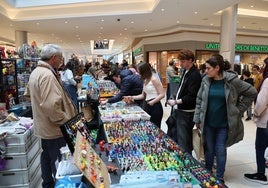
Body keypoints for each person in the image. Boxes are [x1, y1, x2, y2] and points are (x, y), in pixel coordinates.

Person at [193, 54, 257, 183]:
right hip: (208, 123)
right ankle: (208, 172)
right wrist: (197, 119)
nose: (206, 71)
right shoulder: (206, 80)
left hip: (224, 124)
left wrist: (238, 110)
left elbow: (252, 92)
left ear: (217, 68)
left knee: (220, 149)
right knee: (209, 150)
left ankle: (220, 176)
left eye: (208, 68)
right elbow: (199, 99)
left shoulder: (232, 81)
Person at [26, 44, 77, 188]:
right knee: (58, 162)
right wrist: (67, 122)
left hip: (45, 126)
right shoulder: (47, 76)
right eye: (60, 58)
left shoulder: (36, 72)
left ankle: (48, 184)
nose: (62, 61)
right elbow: (51, 106)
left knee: (47, 156)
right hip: (55, 129)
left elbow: (29, 95)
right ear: (53, 58)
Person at [167, 49, 202, 154]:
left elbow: (192, 96)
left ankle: (186, 164)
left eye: (183, 61)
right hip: (180, 110)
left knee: (184, 141)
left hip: (187, 112)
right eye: (180, 61)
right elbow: (182, 89)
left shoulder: (194, 74)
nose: (180, 64)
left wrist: (176, 102)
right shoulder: (186, 71)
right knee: (178, 137)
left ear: (190, 60)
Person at [244, 57, 268, 185]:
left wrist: (256, 113)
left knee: (260, 147)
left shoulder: (267, 81)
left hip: (266, 122)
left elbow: (261, 102)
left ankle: (260, 174)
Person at [124, 61, 165, 128]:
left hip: (155, 106)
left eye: (139, 72)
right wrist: (131, 97)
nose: (138, 73)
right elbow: (143, 95)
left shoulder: (154, 80)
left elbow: (162, 94)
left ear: (144, 72)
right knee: (147, 127)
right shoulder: (145, 80)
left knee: (155, 127)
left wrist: (153, 101)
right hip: (148, 105)